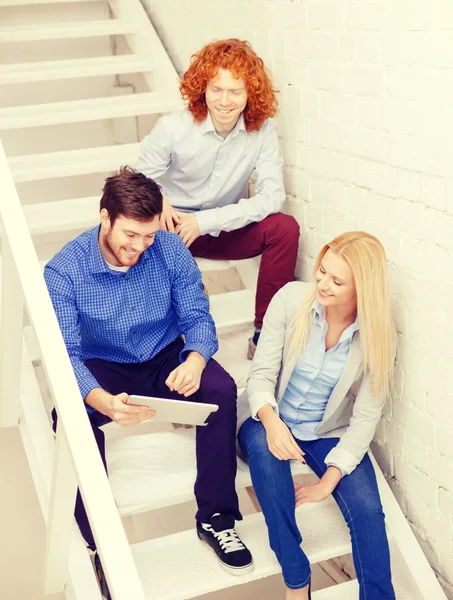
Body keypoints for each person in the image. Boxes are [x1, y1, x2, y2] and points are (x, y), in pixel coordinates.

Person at [44, 167, 253, 600]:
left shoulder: (171, 249)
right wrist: (100, 399)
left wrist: (196, 358)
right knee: (67, 414)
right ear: (105, 217)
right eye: (130, 235)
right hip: (105, 365)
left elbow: (197, 316)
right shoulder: (63, 271)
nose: (139, 247)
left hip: (165, 356)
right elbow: (65, 353)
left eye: (148, 236)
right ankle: (100, 542)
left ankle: (216, 519)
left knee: (220, 389)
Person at [237, 231, 397, 600]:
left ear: (363, 290)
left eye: (337, 281)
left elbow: (365, 419)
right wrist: (272, 423)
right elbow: (260, 375)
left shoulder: (377, 337)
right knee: (266, 455)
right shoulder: (291, 300)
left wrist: (328, 480)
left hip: (329, 432)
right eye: (322, 271)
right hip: (268, 414)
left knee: (369, 512)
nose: (322, 284)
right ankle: (297, 581)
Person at [136, 38, 300, 359]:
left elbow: (272, 196)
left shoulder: (262, 130)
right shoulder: (172, 127)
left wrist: (205, 222)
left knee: (284, 228)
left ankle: (265, 336)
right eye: (216, 89)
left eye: (235, 91)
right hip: (173, 228)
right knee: (142, 239)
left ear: (250, 93)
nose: (224, 101)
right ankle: (159, 344)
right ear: (203, 89)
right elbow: (140, 178)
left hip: (223, 226)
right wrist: (157, 198)